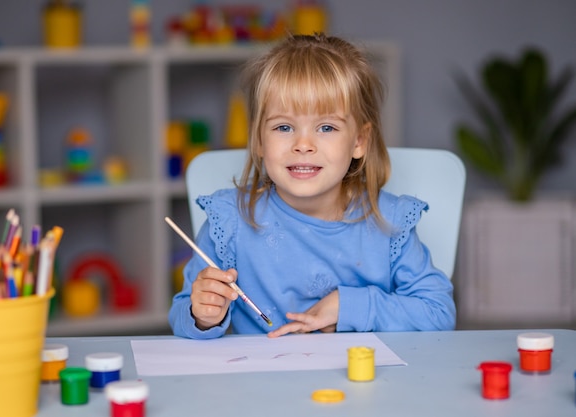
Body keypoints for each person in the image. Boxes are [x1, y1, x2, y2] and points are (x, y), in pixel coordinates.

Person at [169, 33, 456, 339]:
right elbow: (181, 315)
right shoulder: (229, 221)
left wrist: (349, 307)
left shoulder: (391, 222)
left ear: (359, 140)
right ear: (259, 141)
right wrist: (202, 316)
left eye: (326, 127)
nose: (303, 144)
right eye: (283, 127)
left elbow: (438, 313)